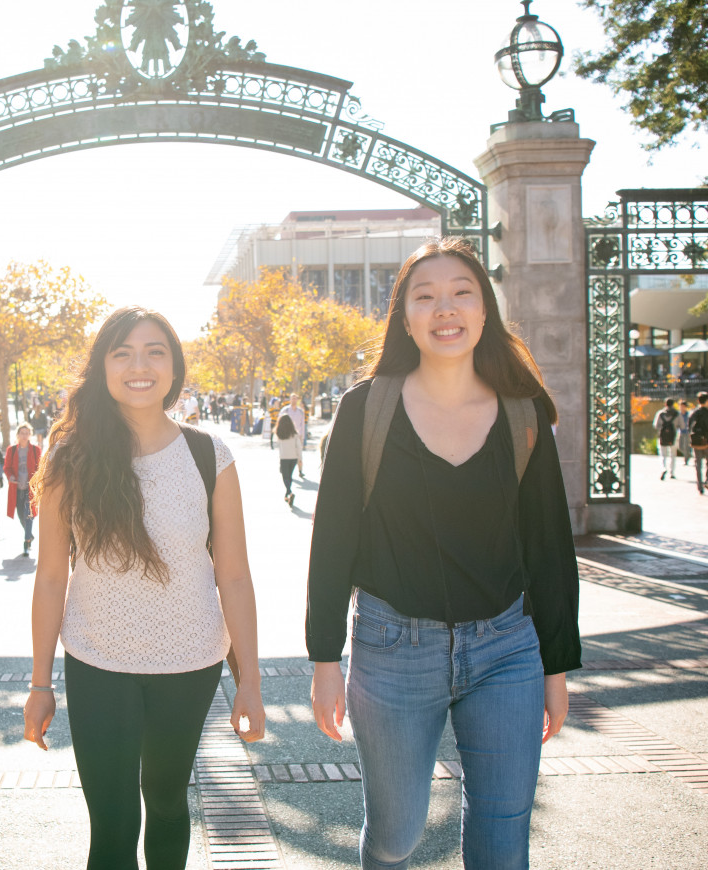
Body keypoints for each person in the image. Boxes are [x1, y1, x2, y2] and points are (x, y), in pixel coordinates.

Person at [306, 237, 581, 870]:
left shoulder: (525, 412)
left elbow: (548, 546)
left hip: (507, 649)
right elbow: (333, 541)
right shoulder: (364, 410)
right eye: (424, 297)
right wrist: (325, 656)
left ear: (485, 310)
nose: (445, 309)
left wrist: (555, 664)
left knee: (503, 837)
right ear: (405, 319)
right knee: (396, 838)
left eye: (462, 292)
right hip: (391, 648)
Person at [23, 306, 265, 870]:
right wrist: (39, 683)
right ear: (102, 367)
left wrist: (249, 680)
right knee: (112, 823)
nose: (140, 365)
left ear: (175, 368)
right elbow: (51, 575)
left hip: (190, 661)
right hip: (97, 660)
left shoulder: (210, 456)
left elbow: (233, 574)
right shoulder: (69, 459)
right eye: (123, 352)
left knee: (166, 802)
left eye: (155, 351)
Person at [5, 423, 40, 557]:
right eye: (22, 433)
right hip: (17, 487)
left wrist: (36, 481)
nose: (24, 436)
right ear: (18, 435)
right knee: (20, 514)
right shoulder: (12, 450)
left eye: (27, 433)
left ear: (30, 435)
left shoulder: (36, 450)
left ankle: (26, 543)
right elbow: (7, 467)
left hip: (30, 488)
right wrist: (11, 477)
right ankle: (29, 534)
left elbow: (39, 468)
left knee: (29, 515)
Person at [689, 390, 708, 495]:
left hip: (696, 443)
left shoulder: (693, 413)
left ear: (698, 400)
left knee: (698, 464)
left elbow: (689, 428)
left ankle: (699, 486)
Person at [279, 393, 307, 477]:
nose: (294, 400)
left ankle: (300, 470)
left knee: (299, 453)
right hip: (286, 435)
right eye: (292, 398)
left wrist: (302, 436)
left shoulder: (300, 412)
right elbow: (279, 422)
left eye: (295, 398)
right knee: (285, 452)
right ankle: (283, 467)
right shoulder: (285, 410)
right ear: (290, 400)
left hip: (297, 436)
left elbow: (303, 425)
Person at [276, 413, 300, 508]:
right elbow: (298, 447)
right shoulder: (294, 434)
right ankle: (288, 494)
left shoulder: (279, 434)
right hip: (293, 458)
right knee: (289, 476)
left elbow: (280, 449)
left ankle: (289, 492)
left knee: (285, 477)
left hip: (284, 458)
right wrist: (300, 459)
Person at [654, 397, 680, 480]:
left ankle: (663, 468)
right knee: (673, 455)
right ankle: (672, 472)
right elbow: (682, 425)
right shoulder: (677, 414)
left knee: (663, 454)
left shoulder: (661, 413)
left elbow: (656, 425)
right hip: (673, 436)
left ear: (665, 404)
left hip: (663, 436)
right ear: (673, 404)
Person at [678, 399, 692, 466]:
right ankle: (688, 454)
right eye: (680, 406)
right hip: (680, 432)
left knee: (686, 446)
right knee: (680, 446)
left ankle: (686, 460)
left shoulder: (688, 414)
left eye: (683, 406)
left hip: (687, 432)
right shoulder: (678, 414)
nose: (681, 408)